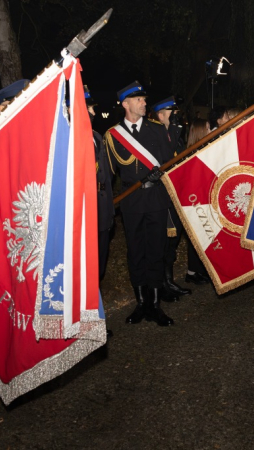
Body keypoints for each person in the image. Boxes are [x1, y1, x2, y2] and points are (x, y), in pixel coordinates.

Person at [104, 81, 174, 326]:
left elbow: (169, 162)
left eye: (144, 99)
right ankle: (141, 303)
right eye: (139, 100)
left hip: (155, 199)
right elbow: (107, 174)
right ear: (126, 104)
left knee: (156, 250)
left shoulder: (156, 129)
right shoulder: (112, 135)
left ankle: (155, 305)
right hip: (131, 203)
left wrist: (161, 173)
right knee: (135, 252)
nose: (145, 103)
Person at [150, 97, 191, 300]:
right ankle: (161, 285)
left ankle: (168, 280)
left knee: (172, 245)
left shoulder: (176, 135)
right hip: (162, 198)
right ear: (160, 115)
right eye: (170, 112)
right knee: (162, 244)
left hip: (177, 195)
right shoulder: (156, 137)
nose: (175, 115)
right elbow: (166, 160)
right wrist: (174, 130)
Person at [85, 86, 114, 281]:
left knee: (100, 255)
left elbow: (107, 176)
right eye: (89, 108)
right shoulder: (68, 139)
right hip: (85, 209)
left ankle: (95, 296)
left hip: (102, 206)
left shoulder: (96, 136)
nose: (94, 113)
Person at [183, 119, 213, 285]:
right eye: (208, 128)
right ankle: (192, 272)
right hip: (194, 203)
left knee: (204, 238)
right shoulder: (190, 153)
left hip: (205, 200)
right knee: (196, 237)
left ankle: (199, 269)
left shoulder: (205, 149)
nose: (210, 130)